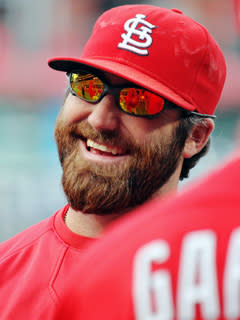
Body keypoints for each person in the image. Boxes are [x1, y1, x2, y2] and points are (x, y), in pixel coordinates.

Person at [0, 4, 226, 319]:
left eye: (139, 100)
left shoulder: (220, 289)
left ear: (196, 136)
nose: (100, 118)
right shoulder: (6, 278)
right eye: (87, 85)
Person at [58, 150, 240, 320]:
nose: (99, 121)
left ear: (197, 136)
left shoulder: (103, 270)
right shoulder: (99, 274)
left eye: (139, 113)